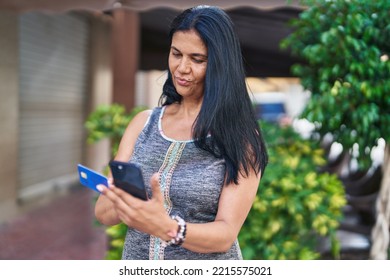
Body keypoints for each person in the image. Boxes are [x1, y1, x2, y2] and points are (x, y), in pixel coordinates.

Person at [95, 5, 268, 260]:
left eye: (197, 59)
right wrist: (128, 204)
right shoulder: (143, 124)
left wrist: (168, 227)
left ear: (221, 65)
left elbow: (226, 234)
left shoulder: (239, 136)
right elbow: (104, 212)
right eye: (176, 54)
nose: (182, 68)